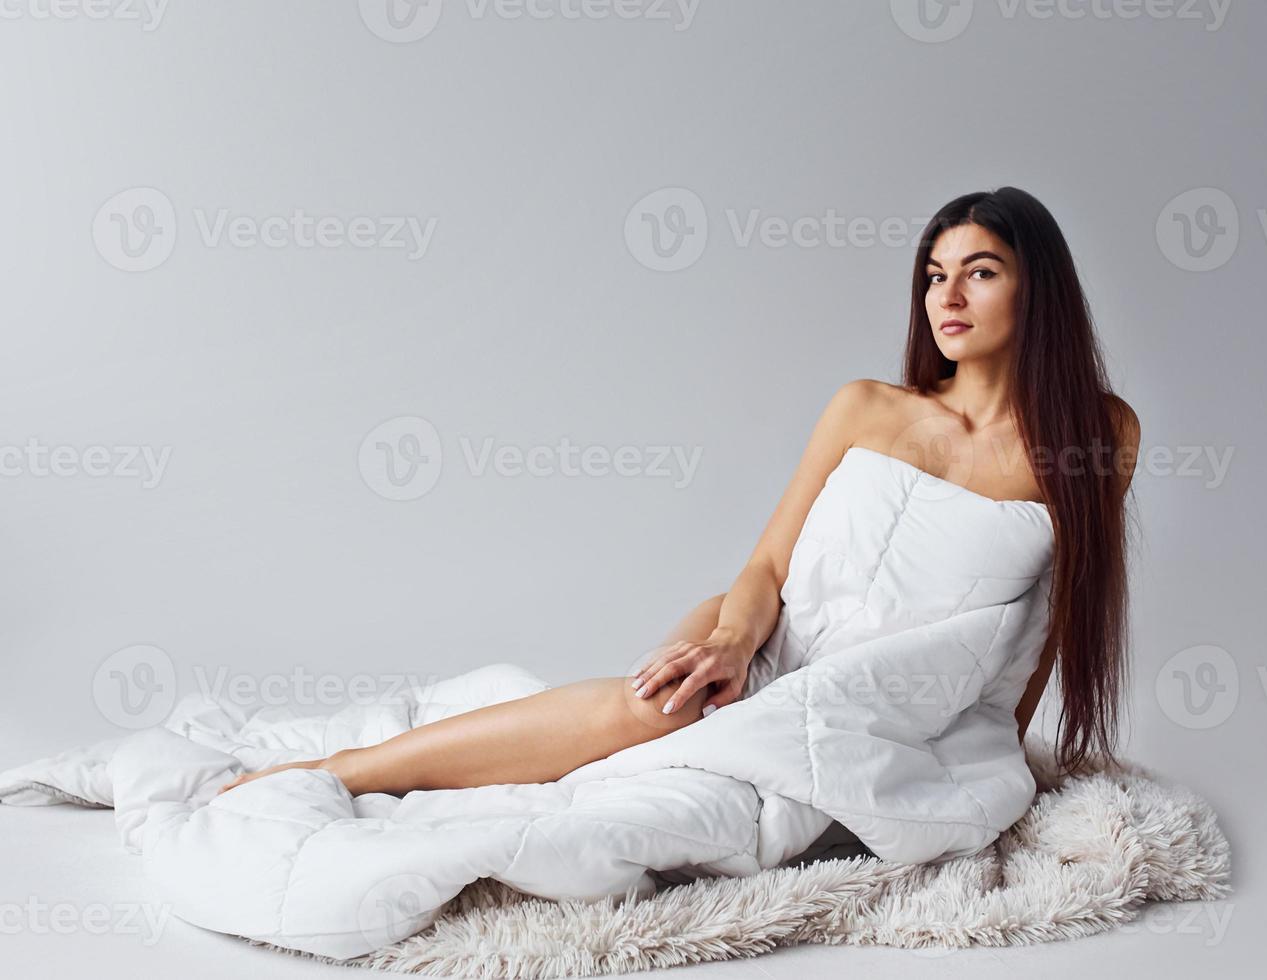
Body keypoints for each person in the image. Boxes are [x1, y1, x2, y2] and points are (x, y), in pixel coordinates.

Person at [217, 187, 1141, 798]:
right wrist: (734, 643)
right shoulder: (867, 408)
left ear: (1038, 289)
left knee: (665, 787)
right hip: (762, 632)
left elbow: (1048, 621)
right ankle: (336, 773)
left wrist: (1002, 751)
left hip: (882, 697)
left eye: (981, 271)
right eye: (936, 275)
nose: (950, 296)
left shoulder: (1099, 438)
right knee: (647, 716)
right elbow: (771, 560)